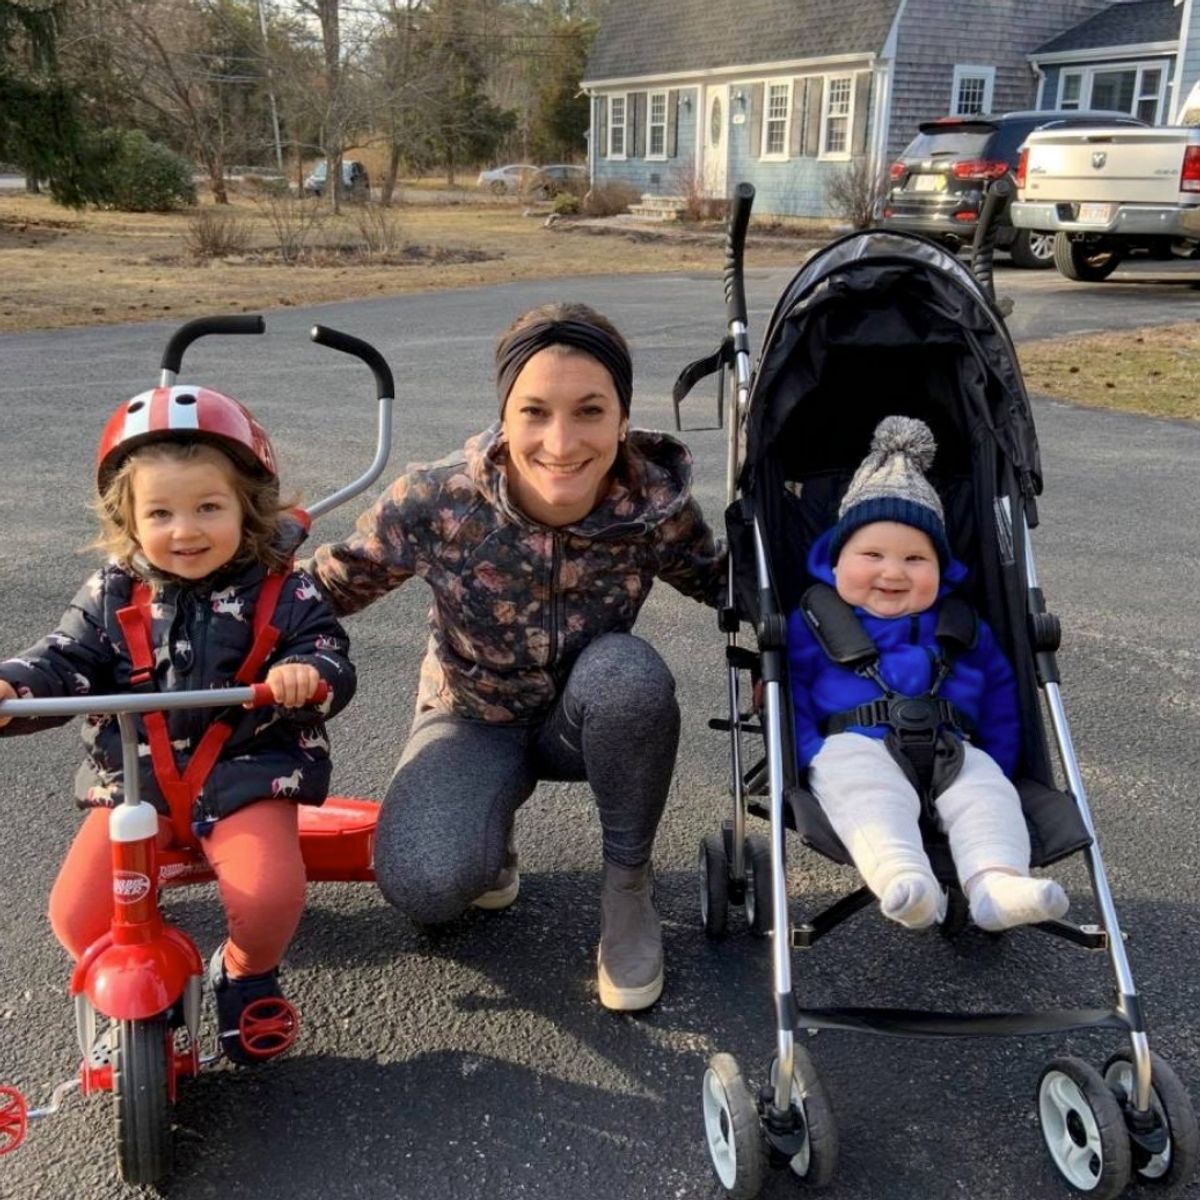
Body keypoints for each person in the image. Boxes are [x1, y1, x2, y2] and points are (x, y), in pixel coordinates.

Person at [308, 301, 724, 1011]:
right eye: (535, 411)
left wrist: (867, 587)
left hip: (586, 717)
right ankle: (487, 836)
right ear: (505, 416)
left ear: (623, 418)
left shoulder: (653, 503)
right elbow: (323, 590)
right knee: (426, 884)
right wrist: (202, 608)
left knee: (630, 674)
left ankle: (627, 887)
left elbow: (728, 584)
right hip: (472, 716)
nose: (561, 442)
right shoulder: (438, 500)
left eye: (590, 411)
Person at [0, 388, 356, 1062]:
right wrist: (15, 684)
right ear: (128, 520)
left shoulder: (286, 587)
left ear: (247, 508)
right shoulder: (113, 592)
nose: (184, 530)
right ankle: (136, 977)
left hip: (246, 773)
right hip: (136, 783)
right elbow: (64, 657)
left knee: (270, 895)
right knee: (76, 916)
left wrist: (307, 674)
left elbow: (328, 654)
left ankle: (245, 973)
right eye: (159, 512)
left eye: (208, 508)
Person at [786, 415, 1069, 933]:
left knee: (987, 796)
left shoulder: (962, 624)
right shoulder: (813, 619)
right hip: (854, 742)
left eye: (916, 558)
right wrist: (807, 756)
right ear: (836, 559)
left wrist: (1002, 763)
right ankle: (904, 877)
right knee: (866, 793)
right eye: (872, 555)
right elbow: (793, 694)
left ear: (941, 569)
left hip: (952, 746)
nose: (893, 572)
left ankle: (996, 884)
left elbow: (1004, 698)